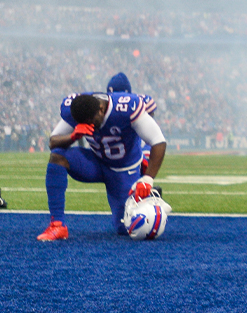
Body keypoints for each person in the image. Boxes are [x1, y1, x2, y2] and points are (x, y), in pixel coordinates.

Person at [37, 91, 167, 240]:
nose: (90, 126)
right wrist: (73, 136)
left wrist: (149, 178)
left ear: (101, 109)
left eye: (91, 121)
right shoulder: (77, 108)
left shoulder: (125, 108)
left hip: (123, 170)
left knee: (126, 228)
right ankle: (57, 225)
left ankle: (145, 184)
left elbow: (158, 141)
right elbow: (53, 142)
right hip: (96, 162)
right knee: (57, 156)